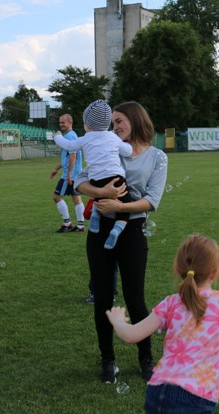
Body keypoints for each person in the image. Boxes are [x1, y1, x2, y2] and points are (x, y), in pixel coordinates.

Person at [106, 234, 219, 414]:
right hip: (195, 400)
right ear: (214, 273)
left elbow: (130, 335)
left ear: (179, 269)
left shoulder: (170, 302)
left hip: (156, 394)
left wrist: (118, 321)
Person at [75, 100, 167, 384]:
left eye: (119, 121)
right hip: (100, 230)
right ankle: (108, 360)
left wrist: (119, 205)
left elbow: (152, 200)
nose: (114, 127)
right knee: (102, 297)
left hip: (133, 230)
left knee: (135, 298)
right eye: (113, 122)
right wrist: (101, 190)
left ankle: (146, 359)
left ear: (136, 120)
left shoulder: (157, 157)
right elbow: (79, 181)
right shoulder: (105, 145)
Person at [56, 99, 134, 249]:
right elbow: (128, 152)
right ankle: (116, 231)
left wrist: (57, 137)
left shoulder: (85, 139)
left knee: (99, 197)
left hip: (96, 180)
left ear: (88, 124)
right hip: (116, 178)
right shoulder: (113, 137)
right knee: (126, 206)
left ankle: (95, 220)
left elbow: (68, 145)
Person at [50, 114, 85, 233]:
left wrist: (69, 174)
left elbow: (73, 156)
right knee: (76, 199)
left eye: (63, 122)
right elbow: (66, 158)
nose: (61, 125)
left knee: (56, 197)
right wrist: (56, 168)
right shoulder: (71, 135)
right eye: (60, 123)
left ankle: (67, 223)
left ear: (70, 122)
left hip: (70, 175)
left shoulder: (69, 136)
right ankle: (80, 226)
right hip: (75, 173)